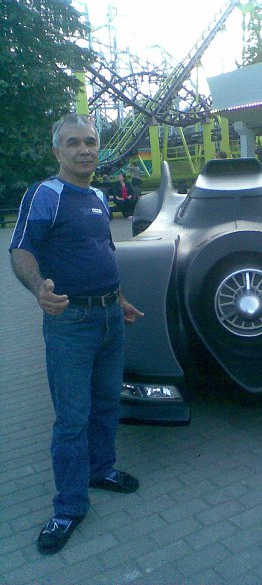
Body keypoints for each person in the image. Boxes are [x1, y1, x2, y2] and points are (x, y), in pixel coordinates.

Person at [9, 113, 144, 555]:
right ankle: (69, 507)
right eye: (73, 143)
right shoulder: (46, 194)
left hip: (109, 318)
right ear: (58, 151)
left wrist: (119, 299)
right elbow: (21, 248)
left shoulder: (100, 198)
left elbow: (103, 251)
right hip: (70, 323)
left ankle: (100, 470)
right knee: (72, 418)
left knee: (107, 403)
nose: (84, 150)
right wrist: (38, 289)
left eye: (90, 141)